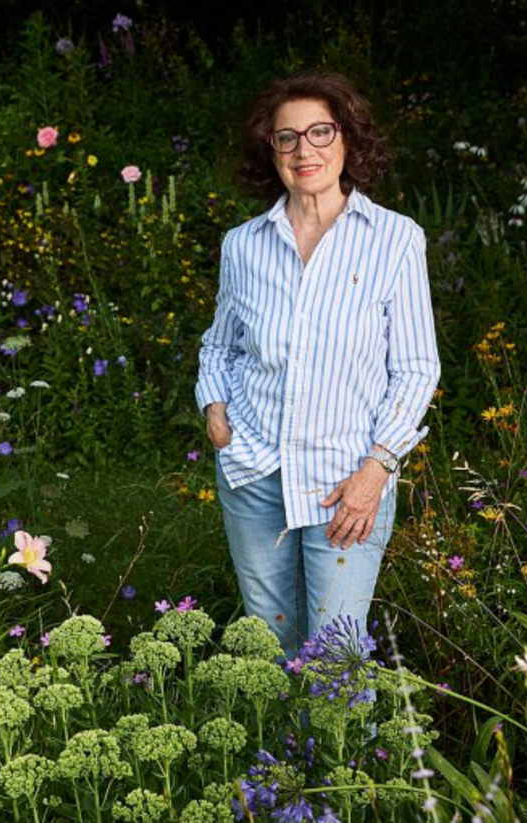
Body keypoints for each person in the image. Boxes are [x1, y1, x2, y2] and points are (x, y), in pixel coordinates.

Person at [195, 70, 440, 658]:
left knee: (336, 651)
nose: (305, 150)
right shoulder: (244, 245)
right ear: (271, 151)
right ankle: (278, 753)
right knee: (271, 644)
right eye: (287, 138)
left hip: (345, 483)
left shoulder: (395, 240)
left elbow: (415, 368)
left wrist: (377, 470)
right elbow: (220, 344)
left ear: (348, 141)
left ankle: (349, 754)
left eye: (320, 132)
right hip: (254, 473)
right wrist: (215, 409)